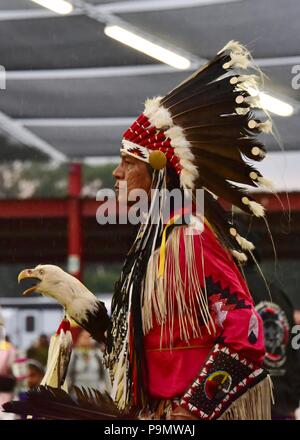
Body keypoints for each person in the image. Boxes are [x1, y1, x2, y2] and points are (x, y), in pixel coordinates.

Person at [101, 41, 274, 419]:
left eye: (127, 162)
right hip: (158, 411)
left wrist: (196, 409)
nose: (116, 173)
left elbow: (247, 334)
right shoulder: (155, 241)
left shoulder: (192, 237)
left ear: (158, 171)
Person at [67, 330, 111, 394]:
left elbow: (106, 377)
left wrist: (109, 393)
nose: (86, 339)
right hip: (77, 396)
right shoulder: (73, 355)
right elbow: (67, 377)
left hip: (96, 396)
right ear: (79, 338)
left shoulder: (98, 355)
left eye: (88, 337)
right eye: (83, 337)